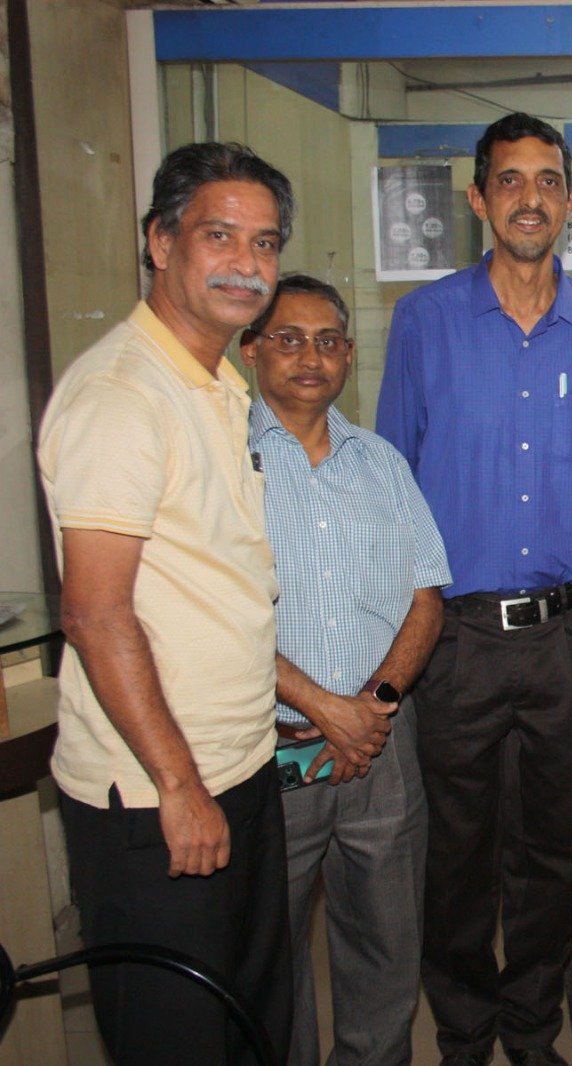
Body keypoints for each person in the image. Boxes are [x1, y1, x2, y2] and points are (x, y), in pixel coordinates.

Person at [376, 112, 572, 1066]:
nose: (530, 198)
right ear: (479, 198)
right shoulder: (426, 322)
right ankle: (463, 1036)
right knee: (456, 855)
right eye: (510, 180)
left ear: (569, 200)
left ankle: (532, 1035)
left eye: (548, 181)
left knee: (546, 856)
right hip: (453, 637)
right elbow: (393, 483)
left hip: (567, 636)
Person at [36, 141, 295, 1065]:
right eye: (219, 236)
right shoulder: (122, 395)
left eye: (264, 243)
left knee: (251, 1026)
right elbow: (96, 614)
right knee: (176, 1040)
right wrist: (178, 788)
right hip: (156, 798)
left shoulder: (218, 381)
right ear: (159, 241)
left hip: (240, 766)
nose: (246, 264)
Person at [242, 273, 451, 1066]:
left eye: (328, 341)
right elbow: (217, 616)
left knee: (387, 946)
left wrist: (373, 704)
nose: (311, 357)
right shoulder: (222, 460)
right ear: (252, 349)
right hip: (268, 747)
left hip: (380, 744)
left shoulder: (381, 463)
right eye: (289, 339)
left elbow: (425, 598)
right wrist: (326, 708)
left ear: (350, 355)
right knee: (273, 954)